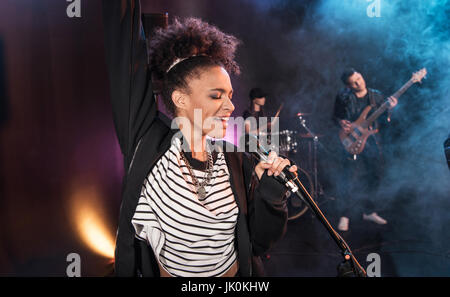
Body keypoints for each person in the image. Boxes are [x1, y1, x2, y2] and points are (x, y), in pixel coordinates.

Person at [102, 0, 297, 277]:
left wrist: (272, 195)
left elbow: (260, 243)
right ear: (180, 98)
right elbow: (124, 46)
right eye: (216, 95)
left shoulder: (236, 159)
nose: (230, 106)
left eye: (229, 96)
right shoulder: (147, 142)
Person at [333, 68, 397, 232]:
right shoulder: (343, 97)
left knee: (375, 175)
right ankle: (344, 215)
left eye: (359, 78)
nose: (359, 83)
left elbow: (384, 120)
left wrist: (390, 109)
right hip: (350, 139)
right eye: (353, 82)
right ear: (348, 86)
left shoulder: (376, 96)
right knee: (347, 178)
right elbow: (335, 116)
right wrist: (341, 122)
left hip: (371, 140)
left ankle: (369, 211)